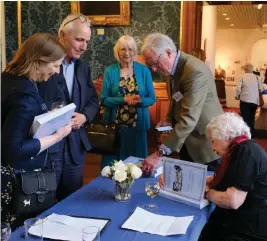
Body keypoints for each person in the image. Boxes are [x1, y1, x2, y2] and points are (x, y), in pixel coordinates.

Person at [1, 33, 72, 229]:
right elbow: (14, 148)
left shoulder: (7, 78)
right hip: (11, 184)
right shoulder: (24, 95)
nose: (57, 72)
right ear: (40, 61)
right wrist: (58, 135)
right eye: (55, 65)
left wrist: (47, 115)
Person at [199, 112, 267, 241]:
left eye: (213, 141)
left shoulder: (246, 150)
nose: (213, 148)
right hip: (259, 221)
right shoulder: (239, 151)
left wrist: (208, 193)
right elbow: (218, 181)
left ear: (225, 136)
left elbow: (233, 201)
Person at [140, 33, 223, 176]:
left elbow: (189, 118)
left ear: (168, 52)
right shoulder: (171, 69)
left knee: (207, 191)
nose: (153, 69)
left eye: (155, 63)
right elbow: (175, 98)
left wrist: (159, 154)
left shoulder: (195, 71)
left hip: (207, 145)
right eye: (150, 65)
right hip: (187, 142)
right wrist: (168, 117)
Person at [37, 14, 99, 201]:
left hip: (74, 149)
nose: (84, 46)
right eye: (79, 39)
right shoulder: (43, 63)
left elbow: (93, 101)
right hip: (48, 148)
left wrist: (84, 117)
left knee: (72, 202)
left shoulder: (83, 68)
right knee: (45, 204)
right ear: (62, 35)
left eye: (86, 41)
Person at [101, 35, 156, 165]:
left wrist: (140, 101)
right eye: (123, 49)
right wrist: (124, 99)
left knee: (137, 167)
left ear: (135, 51)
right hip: (115, 129)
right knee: (114, 168)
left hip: (138, 128)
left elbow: (152, 98)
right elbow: (104, 99)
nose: (127, 53)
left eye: (130, 49)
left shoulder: (144, 71)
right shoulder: (110, 71)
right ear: (117, 52)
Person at [236, 63, 263, 138]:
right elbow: (261, 89)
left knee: (245, 118)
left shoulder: (242, 77)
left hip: (244, 100)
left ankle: (246, 135)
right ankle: (252, 135)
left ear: (245, 69)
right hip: (254, 101)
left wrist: (237, 96)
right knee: (252, 118)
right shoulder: (257, 77)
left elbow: (238, 89)